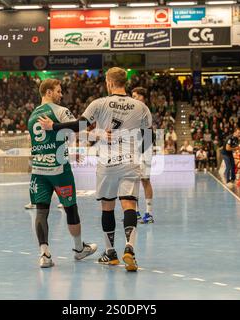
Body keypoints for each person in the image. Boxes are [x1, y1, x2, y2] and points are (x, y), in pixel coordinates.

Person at [39, 67, 153, 272]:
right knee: (129, 205)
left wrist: (52, 127)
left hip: (107, 163)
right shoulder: (141, 106)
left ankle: (111, 253)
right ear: (124, 82)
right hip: (130, 160)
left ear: (109, 82)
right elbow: (148, 138)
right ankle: (130, 248)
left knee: (107, 207)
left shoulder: (99, 104)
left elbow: (79, 126)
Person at [27, 78, 97, 268]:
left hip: (38, 170)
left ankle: (44, 254)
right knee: (70, 209)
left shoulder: (32, 115)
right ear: (48, 92)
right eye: (58, 91)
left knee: (41, 211)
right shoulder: (59, 111)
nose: (61, 94)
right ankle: (78, 249)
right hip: (59, 169)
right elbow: (80, 126)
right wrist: (93, 135)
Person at [132, 87, 154, 224]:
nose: (133, 98)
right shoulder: (133, 110)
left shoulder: (144, 110)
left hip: (145, 148)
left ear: (142, 97)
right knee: (133, 181)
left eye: (135, 96)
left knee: (145, 180)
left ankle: (149, 214)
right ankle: (136, 213)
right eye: (132, 96)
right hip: (134, 148)